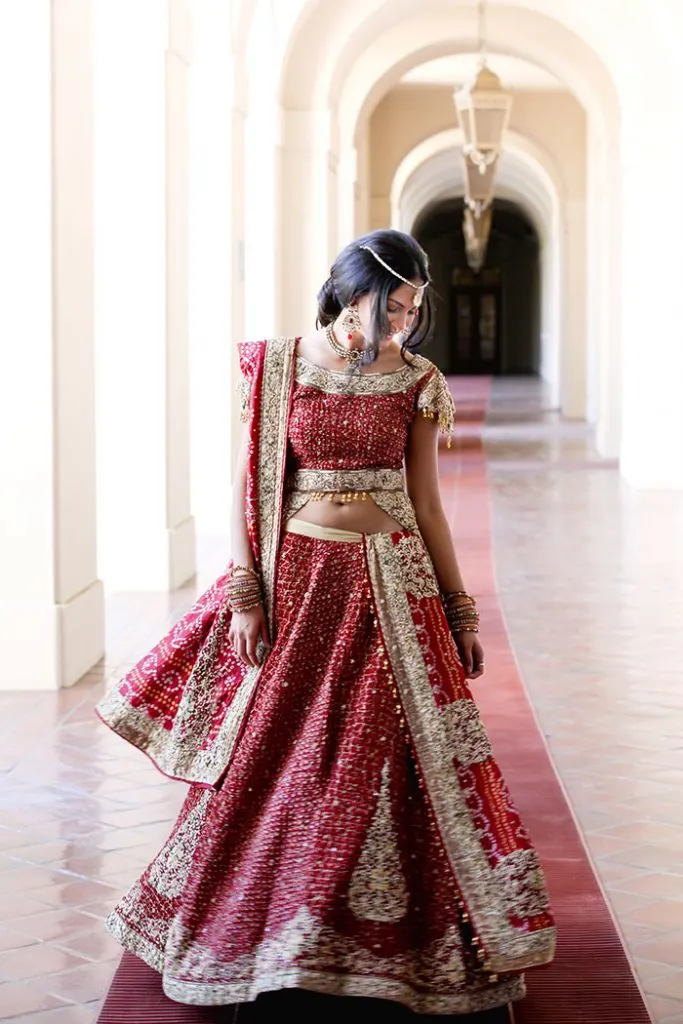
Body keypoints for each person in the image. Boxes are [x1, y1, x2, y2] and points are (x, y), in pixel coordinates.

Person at [96, 229, 555, 1016]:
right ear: (350, 295)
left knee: (384, 763)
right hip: (300, 587)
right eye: (394, 306)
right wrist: (246, 595)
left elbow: (430, 504)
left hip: (392, 587)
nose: (405, 323)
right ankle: (274, 930)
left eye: (415, 308)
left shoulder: (415, 379)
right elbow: (246, 488)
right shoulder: (274, 367)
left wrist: (459, 606)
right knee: (284, 756)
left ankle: (389, 944)